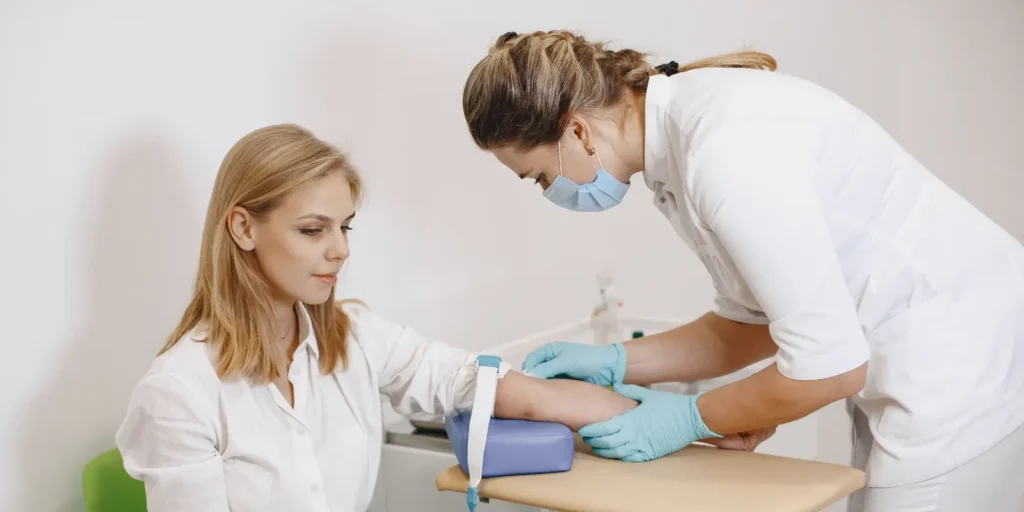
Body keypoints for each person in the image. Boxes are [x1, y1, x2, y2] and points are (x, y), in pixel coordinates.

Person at [461, 30, 1024, 510]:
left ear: (577, 130)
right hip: (916, 356)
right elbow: (750, 322)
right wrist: (615, 362)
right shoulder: (679, 145)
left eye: (538, 176)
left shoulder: (724, 153)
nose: (548, 192)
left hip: (959, 366)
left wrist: (688, 419)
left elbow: (829, 369)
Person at [114, 124, 642, 512]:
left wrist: (651, 419)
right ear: (243, 229)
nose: (341, 250)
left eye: (346, 228)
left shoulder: (354, 337)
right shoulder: (179, 394)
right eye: (313, 230)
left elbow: (469, 380)